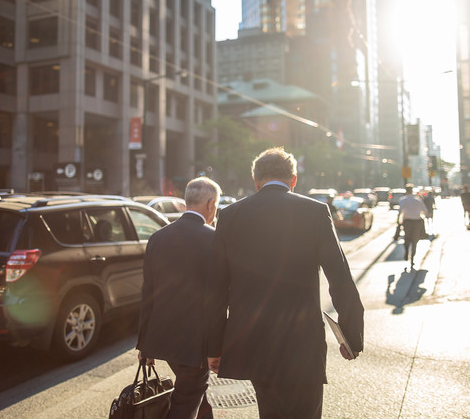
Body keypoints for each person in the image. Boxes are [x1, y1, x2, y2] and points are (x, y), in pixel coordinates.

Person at [205, 147, 364, 419]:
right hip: (302, 341)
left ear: (256, 181)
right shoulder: (314, 211)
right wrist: (351, 336)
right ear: (293, 179)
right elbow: (339, 277)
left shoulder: (230, 215)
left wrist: (215, 346)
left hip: (254, 339)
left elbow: (217, 287)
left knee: (270, 411)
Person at [137, 177, 222, 419]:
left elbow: (148, 292)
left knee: (195, 394)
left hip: (163, 337)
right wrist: (216, 348)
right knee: (186, 400)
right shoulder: (214, 240)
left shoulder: (158, 238)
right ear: (210, 204)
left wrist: (144, 343)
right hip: (195, 343)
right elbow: (217, 300)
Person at [398, 184, 428, 270]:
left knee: (407, 238)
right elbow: (425, 211)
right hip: (416, 222)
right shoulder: (418, 200)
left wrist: (398, 222)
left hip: (407, 222)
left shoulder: (403, 200)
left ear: (406, 191)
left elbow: (400, 211)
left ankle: (407, 251)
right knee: (415, 240)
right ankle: (412, 258)